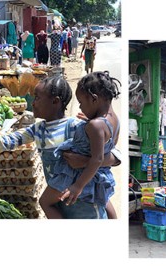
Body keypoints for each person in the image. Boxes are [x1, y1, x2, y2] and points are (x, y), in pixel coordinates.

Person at [0, 76, 120, 219]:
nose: (33, 103)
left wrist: (84, 161)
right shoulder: (37, 130)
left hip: (84, 200)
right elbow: (2, 142)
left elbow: (113, 156)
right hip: (59, 198)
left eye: (37, 98)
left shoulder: (76, 126)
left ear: (55, 102)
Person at [39, 72, 120, 219]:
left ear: (94, 99)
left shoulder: (95, 126)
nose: (81, 108)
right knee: (105, 202)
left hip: (74, 175)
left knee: (45, 201)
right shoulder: (114, 120)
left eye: (81, 103)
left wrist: (78, 186)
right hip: (100, 175)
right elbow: (110, 146)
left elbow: (97, 159)